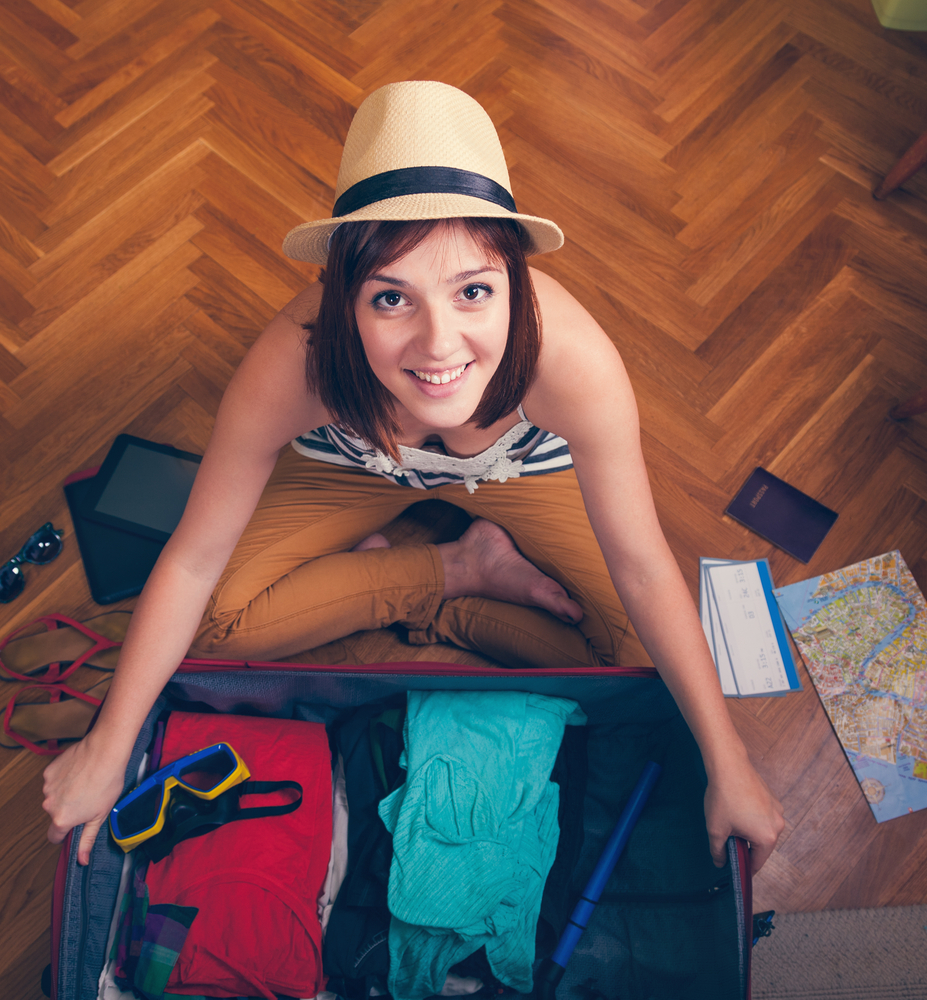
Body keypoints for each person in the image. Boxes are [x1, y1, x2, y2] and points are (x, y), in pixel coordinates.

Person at [42, 81, 784, 871]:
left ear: (517, 283)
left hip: (520, 477)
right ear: (340, 299)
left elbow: (642, 564)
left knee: (644, 660)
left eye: (473, 291)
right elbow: (193, 559)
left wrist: (728, 760)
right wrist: (109, 744)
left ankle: (444, 576)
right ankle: (457, 571)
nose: (439, 346)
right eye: (392, 297)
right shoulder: (289, 365)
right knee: (217, 626)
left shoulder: (576, 362)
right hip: (352, 472)